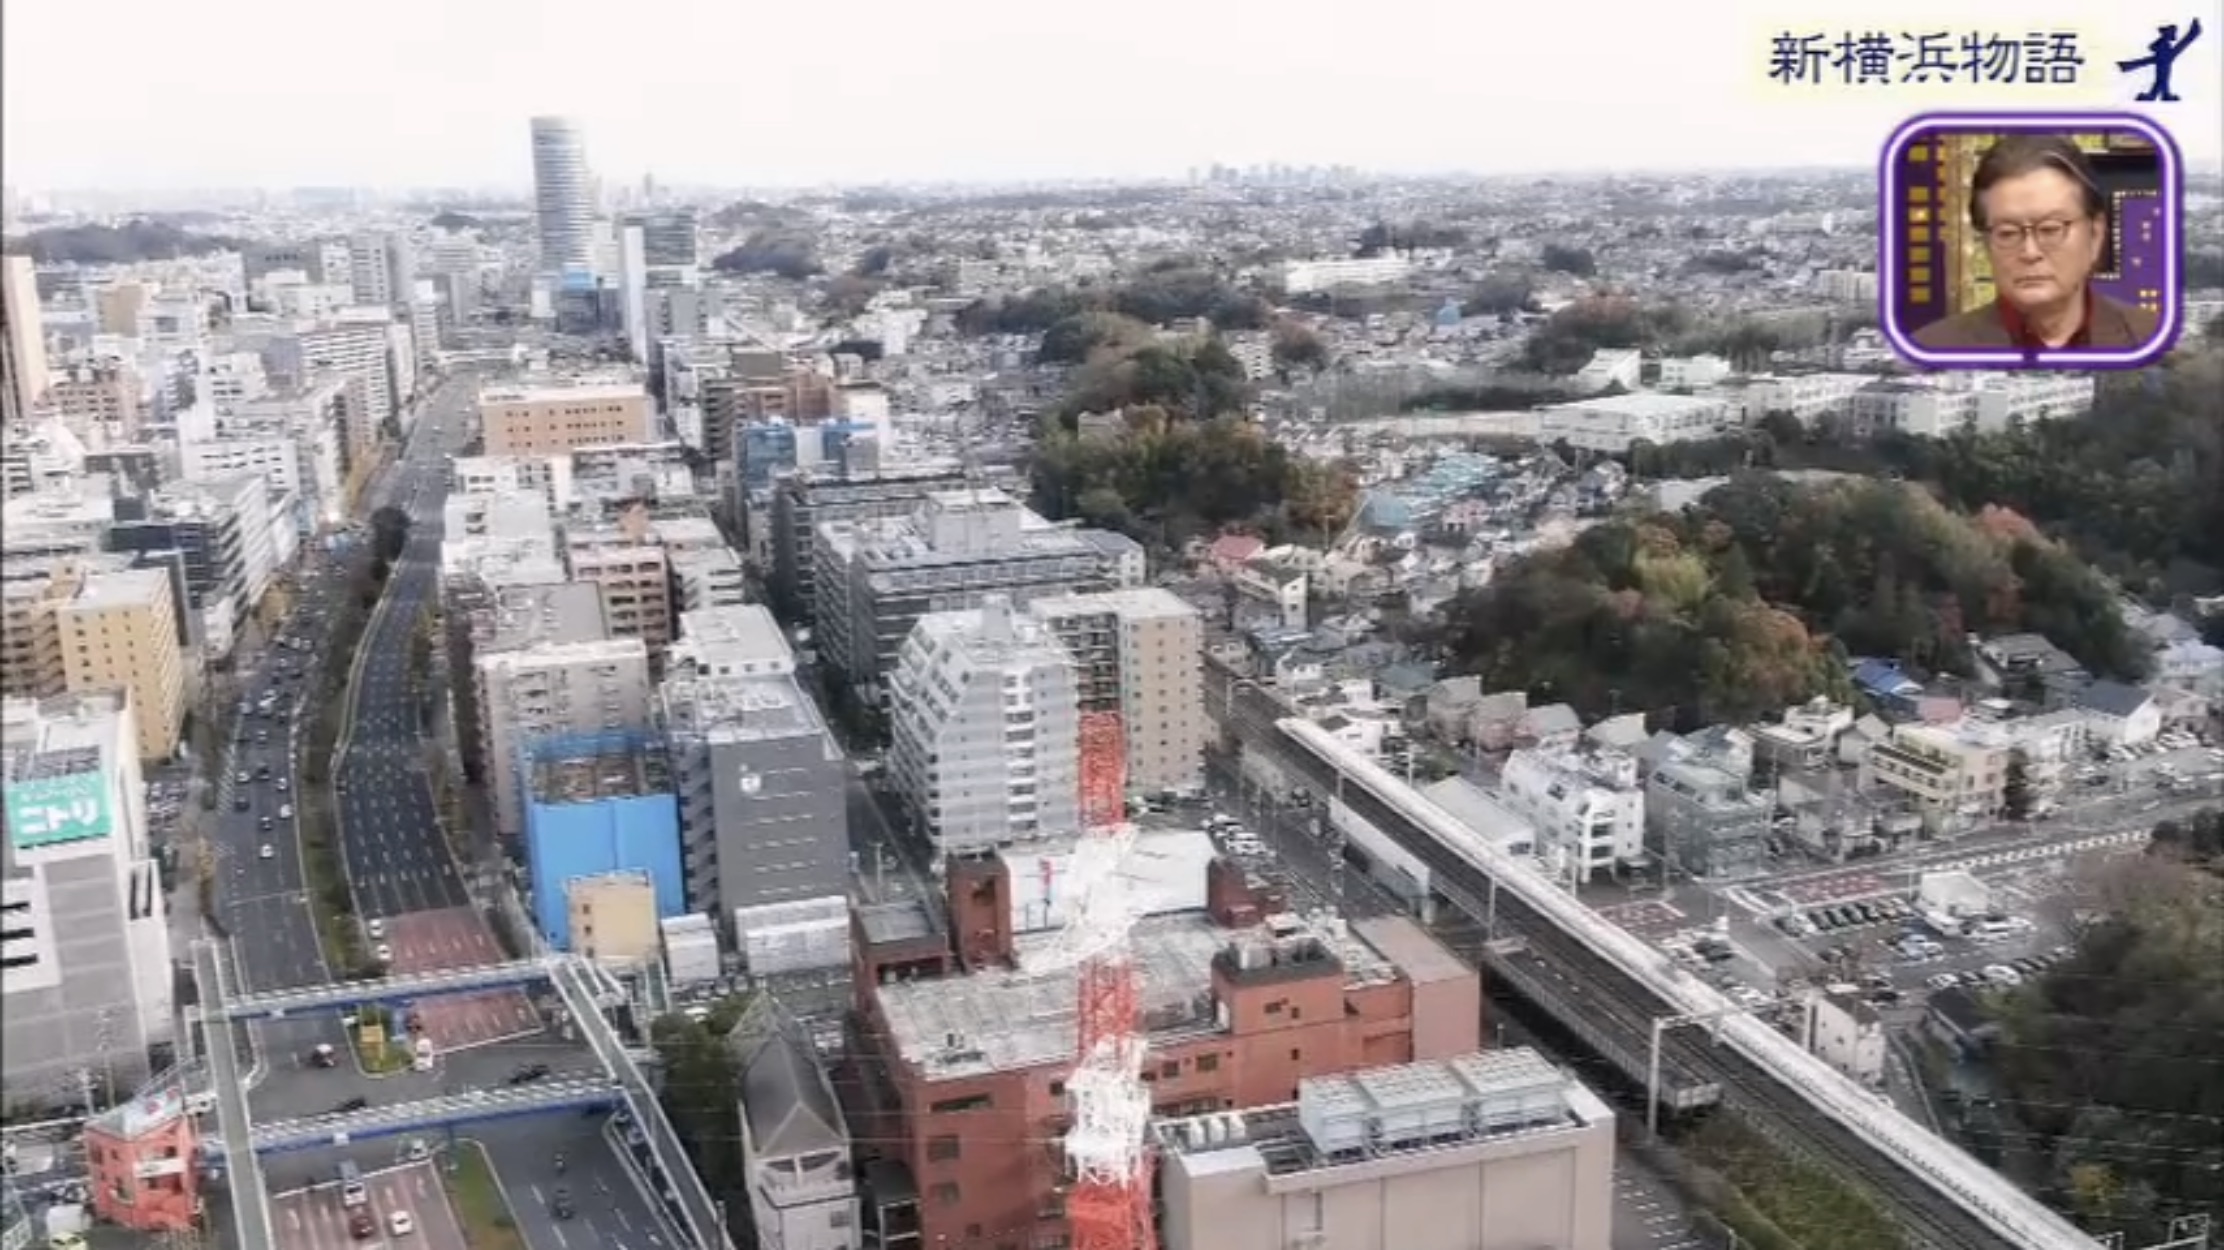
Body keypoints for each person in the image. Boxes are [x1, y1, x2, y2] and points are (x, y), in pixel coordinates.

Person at [1912, 133, 2160, 352]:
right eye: (2007, 233)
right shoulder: (1929, 350)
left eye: (2051, 229)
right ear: (1986, 245)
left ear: (2095, 234)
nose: (2030, 252)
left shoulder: (2154, 342)